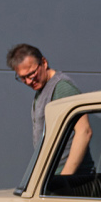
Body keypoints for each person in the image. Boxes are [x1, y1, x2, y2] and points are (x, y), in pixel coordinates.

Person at [6, 43, 92, 175]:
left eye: (31, 74)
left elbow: (84, 132)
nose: (29, 81)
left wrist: (64, 179)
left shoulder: (62, 88)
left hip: (69, 179)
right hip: (50, 175)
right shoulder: (42, 90)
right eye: (23, 78)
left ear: (44, 62)